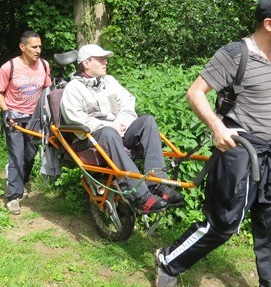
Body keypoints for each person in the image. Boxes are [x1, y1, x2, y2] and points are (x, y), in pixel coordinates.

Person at [153, 0, 271, 287]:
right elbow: (195, 92)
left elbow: (260, 98)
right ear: (270, 24)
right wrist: (217, 127)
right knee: (223, 224)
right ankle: (168, 262)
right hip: (239, 154)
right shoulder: (235, 54)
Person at [59, 44, 184, 214]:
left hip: (117, 130)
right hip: (89, 138)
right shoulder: (73, 88)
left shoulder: (109, 81)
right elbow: (75, 118)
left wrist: (122, 121)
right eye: (101, 59)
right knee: (109, 132)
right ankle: (139, 196)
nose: (106, 62)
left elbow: (127, 102)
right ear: (86, 63)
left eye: (105, 59)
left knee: (147, 120)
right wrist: (111, 126)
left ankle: (157, 184)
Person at [0, 31, 52, 215]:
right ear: (22, 47)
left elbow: (47, 88)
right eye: (34, 47)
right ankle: (13, 196)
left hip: (35, 118)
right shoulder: (8, 67)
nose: (38, 50)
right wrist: (6, 111)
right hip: (15, 118)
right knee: (16, 156)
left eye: (40, 46)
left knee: (29, 155)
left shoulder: (44, 65)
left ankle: (21, 181)